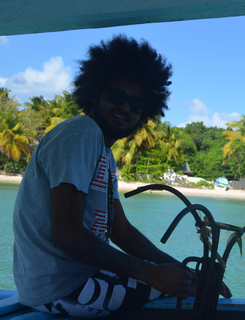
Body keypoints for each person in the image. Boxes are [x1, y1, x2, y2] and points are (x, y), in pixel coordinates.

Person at [12, 34, 231, 318]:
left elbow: (121, 232)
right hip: (63, 288)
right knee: (196, 296)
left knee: (188, 284)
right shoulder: (82, 133)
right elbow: (66, 234)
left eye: (138, 104)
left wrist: (179, 269)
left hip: (72, 281)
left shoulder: (103, 152)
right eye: (117, 96)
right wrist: (151, 274)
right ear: (95, 93)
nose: (126, 107)